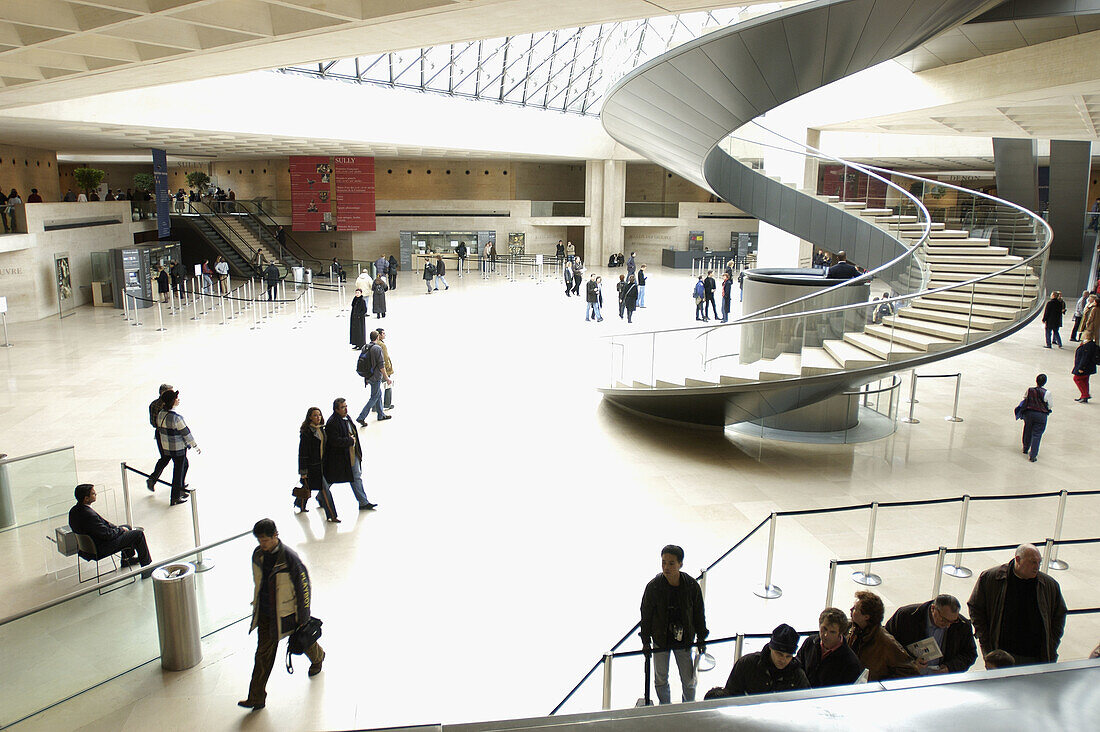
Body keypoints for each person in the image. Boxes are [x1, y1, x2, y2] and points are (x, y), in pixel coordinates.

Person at [238, 519, 325, 710]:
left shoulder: (290, 559)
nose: (263, 544)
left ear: (275, 535)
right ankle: (256, 697)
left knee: (302, 640)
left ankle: (318, 657)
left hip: (288, 613)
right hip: (266, 614)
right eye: (260, 540)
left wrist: (303, 618)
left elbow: (304, 588)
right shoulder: (258, 555)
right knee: (262, 655)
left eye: (265, 540)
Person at [967, 543, 1067, 666]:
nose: (1037, 567)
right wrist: (985, 642)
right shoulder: (991, 578)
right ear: (1018, 560)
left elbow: (1059, 617)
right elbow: (976, 608)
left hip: (1035, 656)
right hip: (1001, 654)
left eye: (1039, 562)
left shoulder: (1048, 585)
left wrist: (1051, 645)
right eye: (1032, 562)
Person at [639, 544, 708, 704]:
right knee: (660, 678)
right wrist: (645, 641)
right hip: (660, 639)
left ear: (680, 564)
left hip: (683, 641)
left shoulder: (691, 586)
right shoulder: (654, 587)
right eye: (663, 562)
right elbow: (646, 615)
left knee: (688, 680)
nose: (666, 567)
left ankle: (687, 708)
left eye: (671, 563)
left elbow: (698, 613)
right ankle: (665, 708)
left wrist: (701, 637)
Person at [68, 483, 153, 575]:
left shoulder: (74, 511)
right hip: (101, 547)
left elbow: (101, 528)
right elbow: (108, 535)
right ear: (86, 498)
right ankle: (146, 568)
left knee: (127, 527)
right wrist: (121, 530)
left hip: (88, 546)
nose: (96, 494)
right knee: (138, 534)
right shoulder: (89, 515)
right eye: (93, 493)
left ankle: (126, 559)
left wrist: (118, 528)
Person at [884, 594, 977, 675]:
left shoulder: (962, 625)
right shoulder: (906, 616)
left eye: (953, 621)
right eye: (943, 620)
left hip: (940, 678)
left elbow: (970, 654)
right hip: (907, 675)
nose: (948, 625)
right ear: (933, 609)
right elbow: (887, 642)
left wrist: (950, 667)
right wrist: (909, 663)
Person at [710, 624, 808, 698]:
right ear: (770, 648)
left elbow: (805, 703)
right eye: (779, 654)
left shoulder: (798, 676)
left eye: (788, 656)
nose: (783, 660)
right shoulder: (747, 664)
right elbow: (731, 695)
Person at [847, 590, 919, 681]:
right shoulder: (851, 629)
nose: (851, 609)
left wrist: (880, 684)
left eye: (855, 609)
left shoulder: (885, 643)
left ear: (866, 617)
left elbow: (910, 671)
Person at [323, 398, 375, 510]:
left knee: (356, 477)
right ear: (336, 409)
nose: (345, 409)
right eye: (342, 407)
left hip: (351, 454)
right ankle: (322, 496)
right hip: (341, 457)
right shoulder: (333, 422)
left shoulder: (346, 418)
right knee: (331, 478)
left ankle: (363, 502)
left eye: (346, 406)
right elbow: (334, 441)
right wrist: (349, 441)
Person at [795, 608, 863, 688]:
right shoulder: (810, 642)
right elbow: (797, 666)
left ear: (840, 633)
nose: (826, 635)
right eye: (824, 629)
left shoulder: (851, 663)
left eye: (832, 632)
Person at [155, 389, 200, 506]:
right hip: (178, 448)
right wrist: (194, 445)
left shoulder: (161, 414)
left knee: (184, 465)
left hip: (166, 446)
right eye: (176, 399)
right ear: (172, 401)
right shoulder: (176, 418)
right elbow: (186, 433)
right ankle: (175, 496)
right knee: (179, 470)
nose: (178, 400)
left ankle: (180, 490)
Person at [297, 407, 338, 521]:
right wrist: (303, 472)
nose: (318, 417)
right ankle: (332, 515)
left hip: (322, 465)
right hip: (312, 467)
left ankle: (299, 503)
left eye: (319, 415)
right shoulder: (306, 433)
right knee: (324, 490)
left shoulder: (322, 429)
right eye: (315, 415)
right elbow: (303, 453)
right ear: (310, 417)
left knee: (308, 486)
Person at [356, 330, 392, 425]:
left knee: (378, 394)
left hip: (368, 375)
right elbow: (381, 365)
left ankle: (381, 415)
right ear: (377, 337)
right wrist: (387, 378)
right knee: (374, 397)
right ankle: (361, 417)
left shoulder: (365, 347)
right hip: (375, 377)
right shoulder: (377, 348)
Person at [145, 383, 175, 492]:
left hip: (160, 434)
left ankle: (153, 479)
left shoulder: (153, 404)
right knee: (178, 460)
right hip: (167, 435)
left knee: (166, 458)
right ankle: (178, 485)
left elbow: (153, 423)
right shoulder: (166, 407)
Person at [1019, 373, 1052, 462]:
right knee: (1037, 434)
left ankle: (1025, 447)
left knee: (1027, 430)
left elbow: (1025, 398)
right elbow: (1050, 405)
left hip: (1029, 413)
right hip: (1041, 415)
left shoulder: (1030, 390)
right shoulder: (1047, 393)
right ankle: (1033, 455)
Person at [1072, 339, 1098, 403]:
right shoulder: (1090, 344)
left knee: (1077, 379)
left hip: (1085, 367)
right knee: (1085, 381)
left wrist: (1081, 368)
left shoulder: (1088, 346)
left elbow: (1085, 357)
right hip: (1088, 367)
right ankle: (1084, 395)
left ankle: (1085, 395)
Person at [378, 327, 395, 410]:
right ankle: (387, 404)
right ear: (379, 335)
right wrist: (388, 368)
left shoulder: (374, 344)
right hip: (384, 370)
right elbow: (385, 358)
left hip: (376, 370)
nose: (385, 335)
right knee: (388, 386)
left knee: (377, 389)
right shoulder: (382, 345)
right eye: (383, 333)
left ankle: (375, 406)